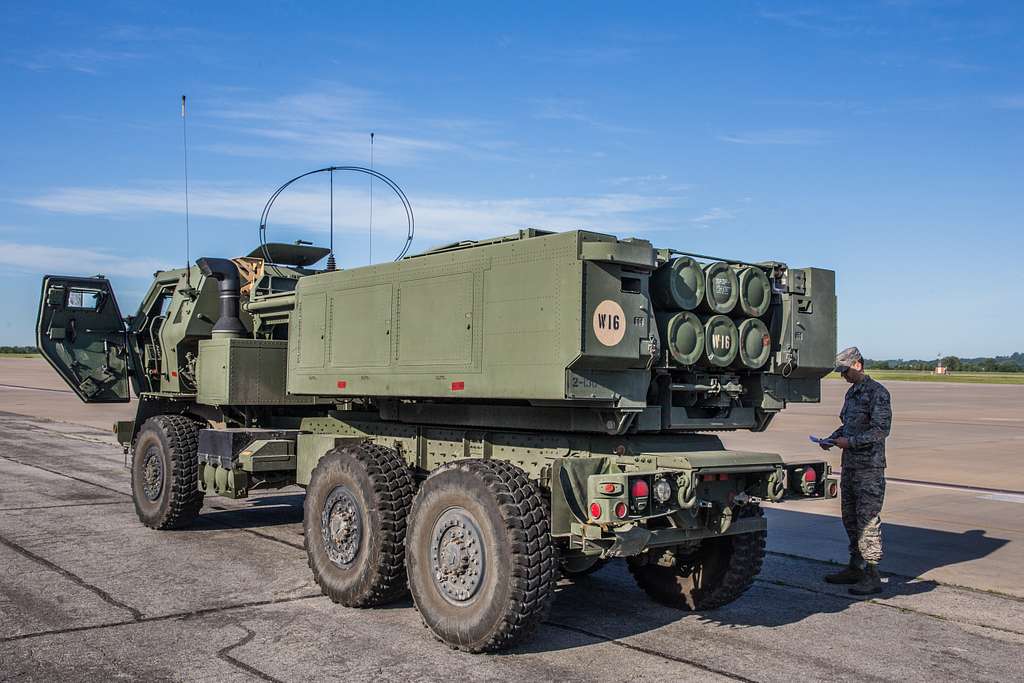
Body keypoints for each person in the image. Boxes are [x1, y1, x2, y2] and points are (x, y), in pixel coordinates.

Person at [819, 346, 892, 596]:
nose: (843, 376)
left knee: (867, 521)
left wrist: (851, 443)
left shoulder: (877, 393)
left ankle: (872, 575)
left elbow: (880, 430)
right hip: (850, 466)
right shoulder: (852, 394)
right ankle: (855, 567)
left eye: (845, 370)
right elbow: (847, 426)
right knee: (850, 519)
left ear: (858, 365)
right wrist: (831, 438)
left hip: (869, 468)